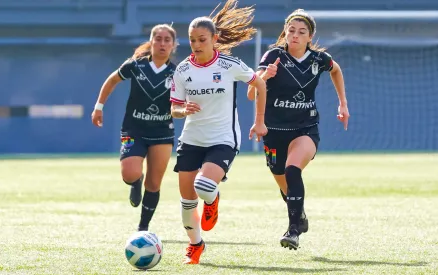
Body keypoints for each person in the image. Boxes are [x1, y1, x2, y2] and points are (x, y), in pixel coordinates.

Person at [170, 0, 268, 264]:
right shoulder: (182, 70)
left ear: (214, 39)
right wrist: (182, 110)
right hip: (191, 139)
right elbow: (174, 109)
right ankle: (195, 244)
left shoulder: (229, 65)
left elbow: (259, 84)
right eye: (192, 40)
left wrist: (259, 121)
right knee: (187, 202)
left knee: (203, 186)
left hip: (223, 139)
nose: (197, 44)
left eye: (202, 39)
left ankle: (213, 201)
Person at [248, 9, 350, 250]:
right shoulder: (273, 56)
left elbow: (335, 69)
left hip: (305, 128)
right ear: (285, 32)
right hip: (273, 131)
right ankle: (300, 216)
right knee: (285, 187)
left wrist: (343, 103)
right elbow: (251, 92)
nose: (294, 35)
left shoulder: (318, 60)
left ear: (309, 37)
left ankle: (292, 231)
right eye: (291, 30)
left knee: (293, 171)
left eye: (301, 32)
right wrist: (265, 76)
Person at [91, 24, 178, 232]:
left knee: (154, 184)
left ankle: (143, 228)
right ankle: (135, 182)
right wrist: (98, 107)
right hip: (134, 130)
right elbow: (112, 80)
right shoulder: (135, 66)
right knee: (130, 174)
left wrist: (185, 109)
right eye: (158, 38)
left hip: (162, 133)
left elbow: (182, 102)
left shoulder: (178, 73)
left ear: (174, 45)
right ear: (151, 42)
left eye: (167, 40)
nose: (162, 43)